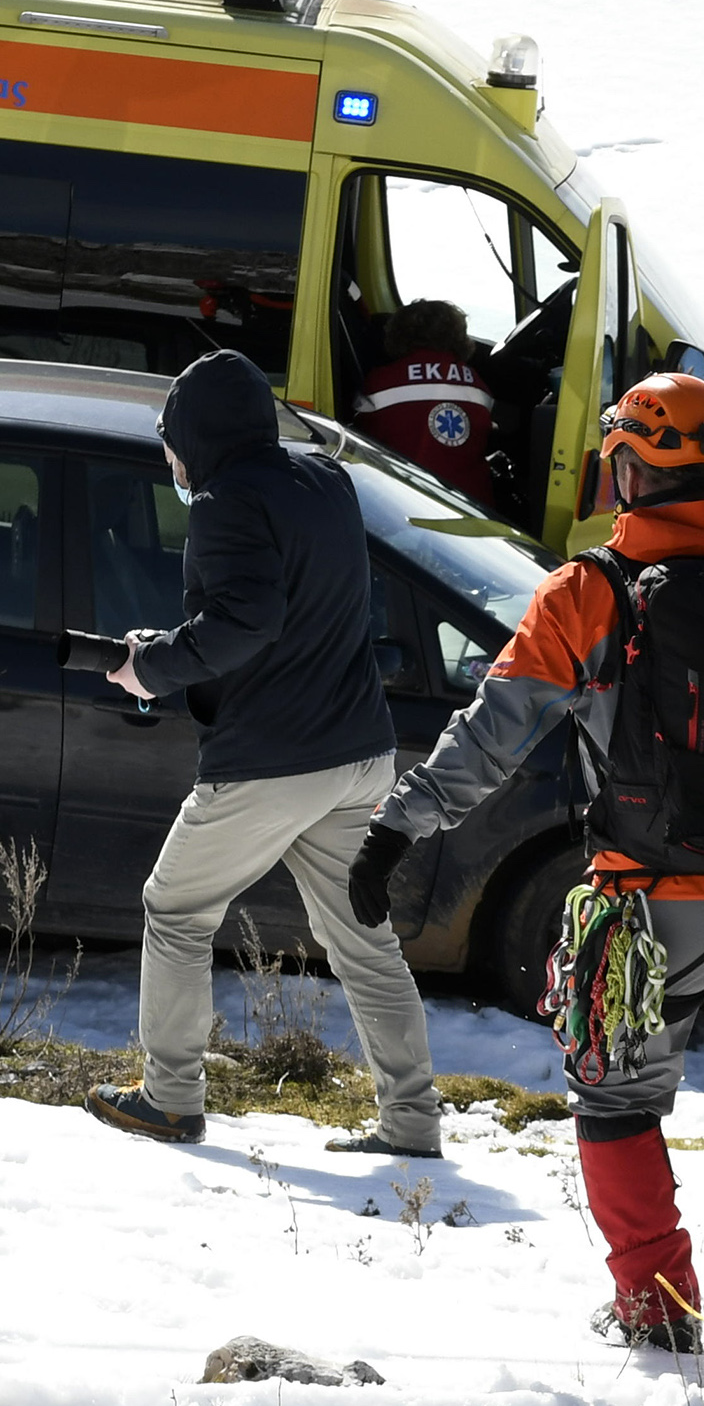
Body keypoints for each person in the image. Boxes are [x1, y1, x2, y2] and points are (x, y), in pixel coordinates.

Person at [348, 374, 704, 1363]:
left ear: (629, 468)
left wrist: (398, 827)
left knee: (618, 1101)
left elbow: (492, 734)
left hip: (645, 913)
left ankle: (657, 1309)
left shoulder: (591, 592)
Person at [87, 349, 441, 1153]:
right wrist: (173, 645)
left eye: (171, 444)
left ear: (199, 436)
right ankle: (413, 1122)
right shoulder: (325, 482)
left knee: (174, 910)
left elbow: (247, 623)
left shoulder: (224, 502)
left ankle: (170, 1097)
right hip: (358, 754)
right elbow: (292, 612)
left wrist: (151, 668)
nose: (170, 462)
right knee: (362, 938)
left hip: (272, 763)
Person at [356, 296, 503, 509]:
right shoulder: (478, 385)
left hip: (403, 505)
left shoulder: (380, 382)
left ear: (397, 335)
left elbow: (360, 437)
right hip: (473, 507)